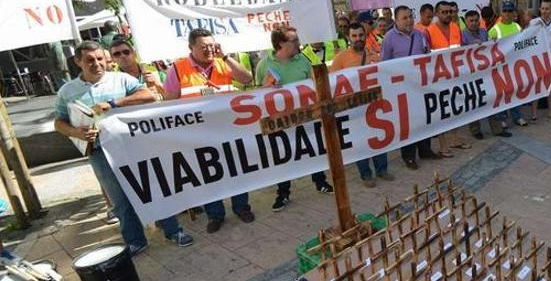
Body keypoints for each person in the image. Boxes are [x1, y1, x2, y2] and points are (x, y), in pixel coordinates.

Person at [54, 41, 194, 254]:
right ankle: (135, 241)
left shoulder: (121, 79)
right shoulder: (67, 91)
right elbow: (59, 122)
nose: (96, 64)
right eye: (90, 60)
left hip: (133, 146)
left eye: (100, 59)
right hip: (99, 151)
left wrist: (114, 103)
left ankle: (173, 230)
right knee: (119, 199)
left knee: (154, 189)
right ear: (78, 61)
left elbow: (147, 95)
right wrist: (76, 132)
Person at [164, 28, 255, 233]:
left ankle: (241, 207)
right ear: (191, 48)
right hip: (197, 134)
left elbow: (247, 79)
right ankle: (215, 215)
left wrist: (225, 56)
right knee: (207, 175)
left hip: (228, 129)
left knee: (236, 170)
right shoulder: (177, 69)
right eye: (203, 47)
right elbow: (168, 103)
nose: (209, 51)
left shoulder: (224, 62)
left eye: (212, 46)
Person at [254, 27, 335, 211]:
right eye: (294, 40)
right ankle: (283, 193)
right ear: (281, 44)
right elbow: (256, 93)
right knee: (283, 156)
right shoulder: (264, 65)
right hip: (279, 120)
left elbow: (316, 83)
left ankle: (320, 181)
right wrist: (265, 87)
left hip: (305, 116)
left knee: (312, 149)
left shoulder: (303, 61)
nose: (299, 43)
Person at [330, 23, 395, 188]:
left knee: (380, 137)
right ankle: (366, 174)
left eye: (360, 35)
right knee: (360, 141)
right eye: (354, 36)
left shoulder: (373, 55)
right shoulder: (341, 58)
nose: (358, 39)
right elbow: (332, 82)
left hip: (374, 105)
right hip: (354, 108)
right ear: (348, 38)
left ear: (365, 36)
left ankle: (382, 169)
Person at [381, 5, 440, 170]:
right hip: (402, 88)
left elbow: (428, 56)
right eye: (404, 18)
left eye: (410, 17)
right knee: (407, 123)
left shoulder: (420, 35)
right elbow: (384, 65)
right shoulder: (389, 38)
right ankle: (408, 156)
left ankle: (425, 150)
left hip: (420, 86)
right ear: (396, 20)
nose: (408, 20)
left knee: (424, 117)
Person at [426, 1, 471, 157]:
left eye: (449, 12)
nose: (448, 15)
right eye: (444, 12)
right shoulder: (429, 31)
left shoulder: (455, 27)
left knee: (455, 108)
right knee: (441, 111)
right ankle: (443, 145)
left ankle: (455, 139)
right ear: (437, 14)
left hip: (455, 75)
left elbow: (463, 49)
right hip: (438, 78)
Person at [460, 10, 509, 140]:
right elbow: (459, 53)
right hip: (471, 74)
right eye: (471, 21)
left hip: (486, 72)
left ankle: (497, 128)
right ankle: (475, 130)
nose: (474, 23)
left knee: (492, 99)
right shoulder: (462, 35)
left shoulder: (483, 31)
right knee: (474, 102)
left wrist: (492, 43)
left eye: (476, 20)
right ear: (466, 22)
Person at [489, 1, 526, 127]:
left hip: (515, 64)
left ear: (514, 13)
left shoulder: (517, 27)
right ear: (501, 13)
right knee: (503, 93)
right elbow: (489, 49)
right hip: (501, 67)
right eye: (505, 11)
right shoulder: (495, 30)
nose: (507, 13)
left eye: (510, 11)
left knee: (515, 92)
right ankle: (502, 118)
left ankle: (517, 116)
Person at [529, 0, 551, 120]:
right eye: (542, 8)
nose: (544, 11)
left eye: (547, 8)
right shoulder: (534, 22)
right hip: (537, 59)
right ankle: (533, 114)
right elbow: (527, 40)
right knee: (536, 86)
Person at [109, 35, 166, 101]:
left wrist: (158, 85)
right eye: (117, 54)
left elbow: (173, 96)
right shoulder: (113, 80)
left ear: (134, 53)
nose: (123, 56)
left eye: (126, 52)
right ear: (112, 59)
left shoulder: (154, 70)